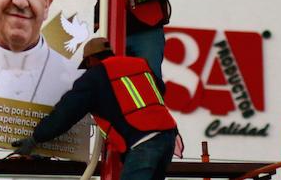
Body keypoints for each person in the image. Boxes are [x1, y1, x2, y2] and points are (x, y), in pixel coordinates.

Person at [12, 37, 182, 180]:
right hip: (167, 137)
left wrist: (35, 138)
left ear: (90, 60)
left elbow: (66, 113)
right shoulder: (139, 64)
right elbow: (159, 88)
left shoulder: (95, 76)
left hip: (142, 142)